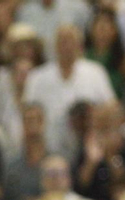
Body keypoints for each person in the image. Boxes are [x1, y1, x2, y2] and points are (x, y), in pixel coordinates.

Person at [24, 24, 114, 160]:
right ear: (54, 46)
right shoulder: (37, 77)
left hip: (87, 150)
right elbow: (28, 113)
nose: (66, 46)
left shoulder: (95, 73)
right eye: (62, 41)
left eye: (71, 41)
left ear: (80, 45)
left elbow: (110, 107)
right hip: (49, 150)